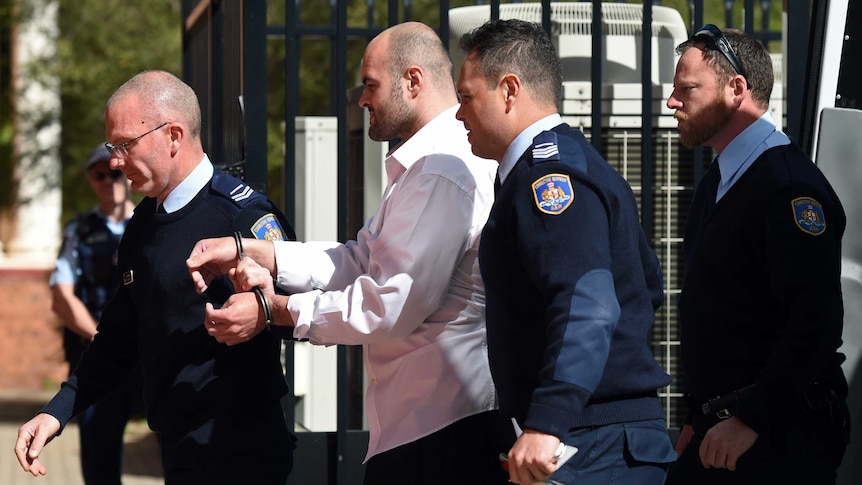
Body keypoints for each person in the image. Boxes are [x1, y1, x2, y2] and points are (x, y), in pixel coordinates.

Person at [186, 21, 516, 485]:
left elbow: (388, 305)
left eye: (370, 85)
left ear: (413, 81)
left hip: (443, 431)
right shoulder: (426, 164)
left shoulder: (442, 169)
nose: (362, 99)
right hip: (424, 427)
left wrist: (273, 311)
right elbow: (361, 259)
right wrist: (256, 251)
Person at [15, 70, 297, 484]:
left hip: (245, 458)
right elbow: (118, 338)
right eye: (113, 147)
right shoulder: (142, 225)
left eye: (125, 145)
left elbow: (307, 309)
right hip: (180, 456)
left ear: (173, 136)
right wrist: (55, 411)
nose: (114, 161)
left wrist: (264, 309)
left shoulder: (243, 215)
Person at [454, 19, 678, 485]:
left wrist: (547, 422)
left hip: (590, 445)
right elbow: (645, 288)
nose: (459, 115)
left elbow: (590, 304)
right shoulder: (562, 165)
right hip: (595, 439)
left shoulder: (549, 179)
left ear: (509, 90)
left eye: (467, 97)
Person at [664, 25, 850, 484]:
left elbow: (815, 323)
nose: (672, 102)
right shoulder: (721, 178)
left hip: (776, 439)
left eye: (686, 88)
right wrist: (697, 414)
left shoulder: (789, 188)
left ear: (736, 89)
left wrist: (751, 420)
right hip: (722, 429)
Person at [49, 144, 140, 485]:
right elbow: (62, 295)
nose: (108, 181)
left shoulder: (150, 223)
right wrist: (100, 337)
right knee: (100, 448)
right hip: (98, 351)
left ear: (126, 175)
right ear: (91, 180)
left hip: (151, 350)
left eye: (115, 172)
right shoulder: (80, 231)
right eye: (99, 175)